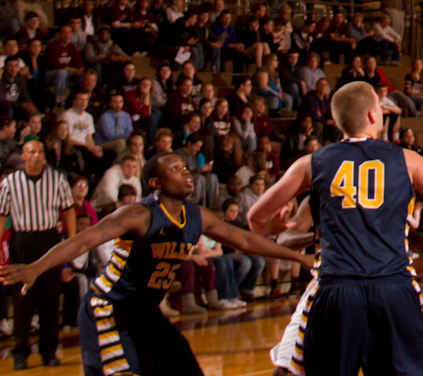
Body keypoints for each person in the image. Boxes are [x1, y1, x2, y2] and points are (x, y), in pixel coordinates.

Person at [0, 152, 312, 376]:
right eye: (175, 169)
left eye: (185, 167)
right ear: (155, 182)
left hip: (147, 313)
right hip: (109, 310)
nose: (186, 172)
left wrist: (298, 256)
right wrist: (36, 267)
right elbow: (84, 240)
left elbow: (243, 240)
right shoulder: (139, 215)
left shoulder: (197, 215)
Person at [245, 80, 423, 376]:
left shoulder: (311, 163)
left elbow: (254, 218)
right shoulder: (408, 160)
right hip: (393, 288)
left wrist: (273, 229)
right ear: (371, 115)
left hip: (336, 292)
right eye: (379, 107)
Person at [0, 141, 75, 369]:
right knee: (23, 300)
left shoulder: (57, 179)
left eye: (41, 151)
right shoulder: (10, 182)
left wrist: (71, 242)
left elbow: (69, 210)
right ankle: (20, 353)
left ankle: (49, 351)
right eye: (32, 152)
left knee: (50, 299)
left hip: (49, 240)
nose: (37, 155)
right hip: (22, 241)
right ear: (23, 156)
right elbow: (1, 216)